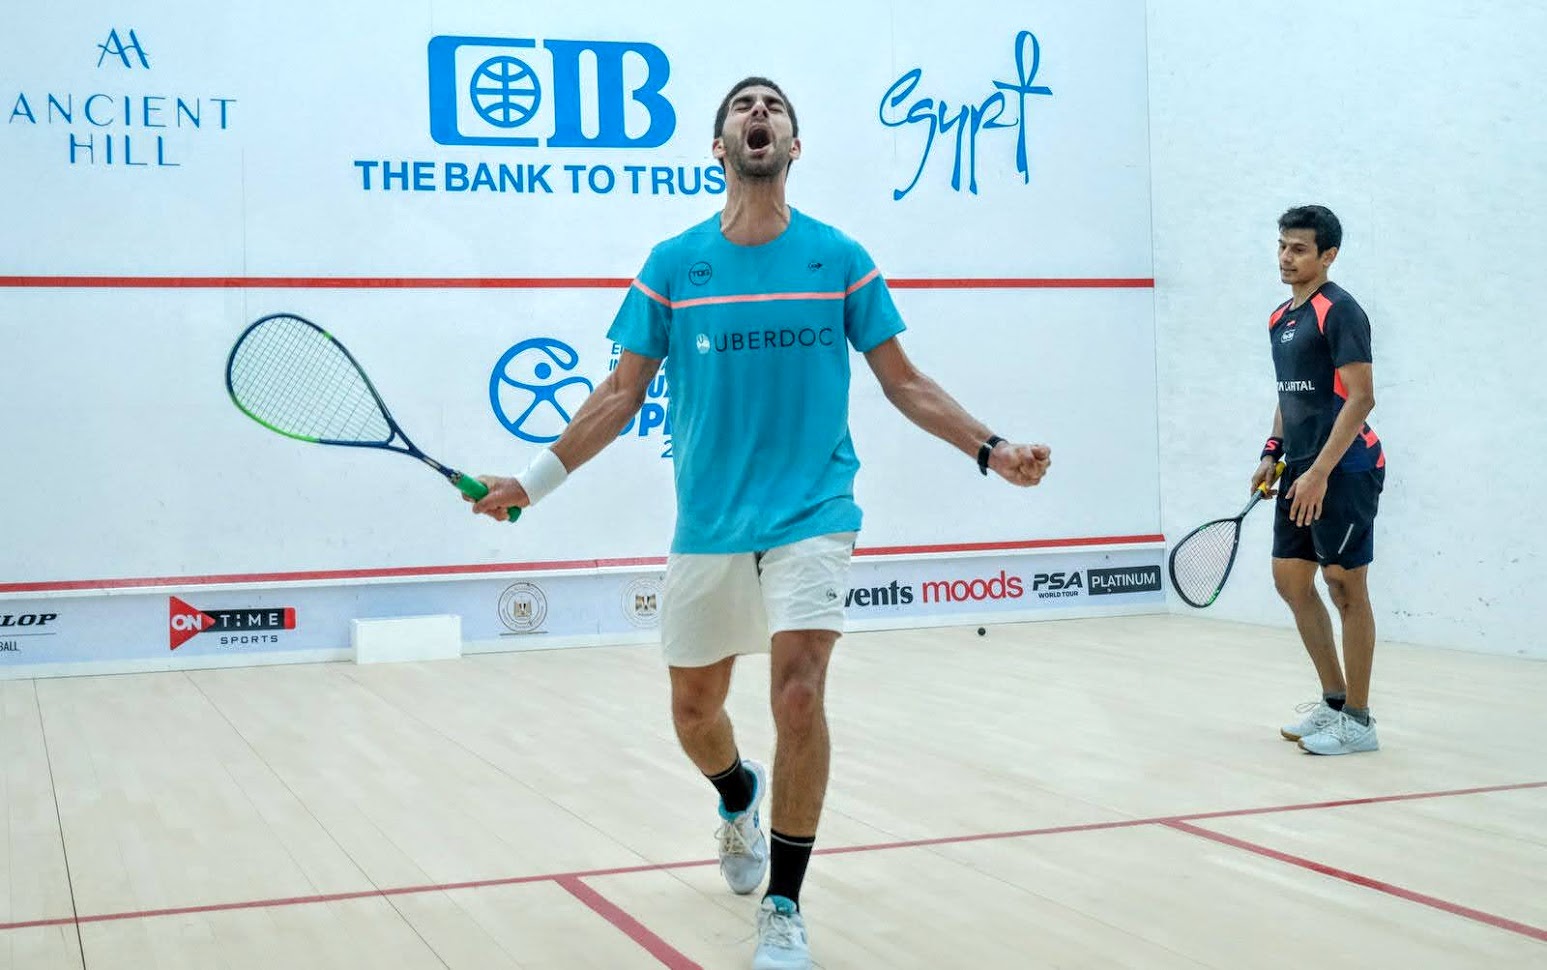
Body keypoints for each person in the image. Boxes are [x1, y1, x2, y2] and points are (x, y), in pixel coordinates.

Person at [471, 76, 1051, 969]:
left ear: (793, 145)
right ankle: (736, 793)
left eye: (773, 107)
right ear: (718, 146)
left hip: (814, 509)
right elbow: (620, 394)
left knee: (799, 694)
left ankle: (783, 903)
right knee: (695, 711)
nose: (758, 115)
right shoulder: (673, 265)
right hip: (709, 521)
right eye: (743, 107)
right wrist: (531, 484)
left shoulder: (838, 258)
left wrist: (991, 447)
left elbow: (903, 382)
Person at [1253, 204, 1385, 756]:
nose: (1286, 257)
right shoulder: (1280, 318)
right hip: (1300, 470)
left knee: (1343, 585)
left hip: (1346, 468)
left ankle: (1359, 720)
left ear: (1328, 255)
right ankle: (1333, 701)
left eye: (1299, 249)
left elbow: (1361, 398)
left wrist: (1320, 473)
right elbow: (1291, 396)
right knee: (1290, 580)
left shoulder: (1341, 311)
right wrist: (1272, 451)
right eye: (1282, 246)